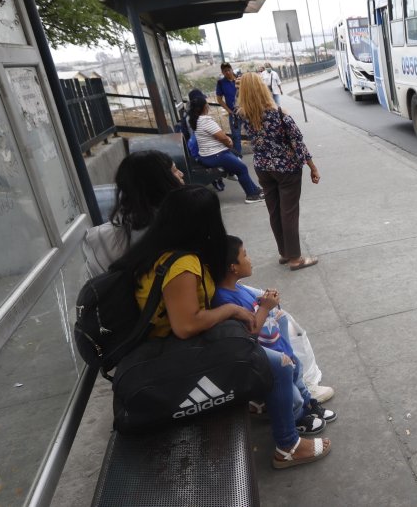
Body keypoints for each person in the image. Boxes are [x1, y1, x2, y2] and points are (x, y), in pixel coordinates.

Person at [110, 187, 331, 469]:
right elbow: (186, 326)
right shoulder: (182, 264)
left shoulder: (159, 249)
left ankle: (267, 402)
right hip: (172, 352)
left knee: (272, 344)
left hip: (167, 345)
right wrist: (232, 309)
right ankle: (288, 446)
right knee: (282, 364)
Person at [214, 235, 337, 435]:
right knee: (291, 394)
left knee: (297, 374)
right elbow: (248, 333)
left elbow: (257, 311)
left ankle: (308, 404)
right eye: (245, 255)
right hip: (267, 357)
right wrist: (265, 307)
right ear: (232, 267)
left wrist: (266, 302)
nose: (250, 259)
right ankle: (297, 417)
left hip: (278, 346)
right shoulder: (223, 299)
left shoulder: (239, 288)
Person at [237, 73, 320, 270]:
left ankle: (284, 253)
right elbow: (297, 143)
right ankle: (295, 259)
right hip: (286, 169)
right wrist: (313, 167)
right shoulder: (279, 113)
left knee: (274, 211)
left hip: (262, 168)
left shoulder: (243, 115)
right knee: (289, 212)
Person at [82, 150, 184, 277]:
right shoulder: (182, 223)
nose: (181, 174)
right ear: (161, 181)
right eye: (174, 170)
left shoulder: (98, 238)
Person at [188, 89, 264, 203]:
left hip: (209, 154)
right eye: (206, 104)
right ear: (204, 107)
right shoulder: (206, 121)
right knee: (241, 169)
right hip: (215, 155)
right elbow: (222, 137)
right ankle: (251, 195)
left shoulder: (197, 120)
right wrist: (229, 142)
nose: (208, 105)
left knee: (239, 165)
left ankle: (255, 190)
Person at [215, 62, 244, 155]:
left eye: (228, 70)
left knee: (253, 131)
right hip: (234, 113)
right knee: (236, 136)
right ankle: (238, 156)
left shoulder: (240, 79)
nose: (227, 72)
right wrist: (229, 111)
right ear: (222, 72)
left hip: (246, 111)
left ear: (232, 69)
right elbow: (219, 99)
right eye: (224, 71)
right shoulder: (221, 83)